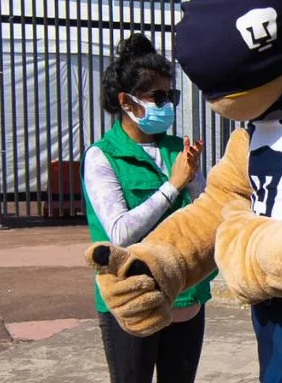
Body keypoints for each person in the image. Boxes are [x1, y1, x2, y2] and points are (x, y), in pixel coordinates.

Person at [83, 33, 212, 383]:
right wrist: (173, 185)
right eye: (158, 96)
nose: (167, 104)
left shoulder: (177, 149)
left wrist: (195, 181)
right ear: (127, 102)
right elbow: (120, 232)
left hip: (184, 296)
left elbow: (203, 217)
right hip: (132, 298)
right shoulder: (102, 157)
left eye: (171, 96)